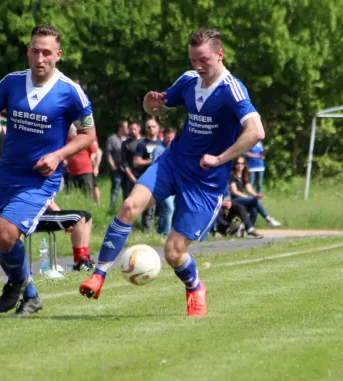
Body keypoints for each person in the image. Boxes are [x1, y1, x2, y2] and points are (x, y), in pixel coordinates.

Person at [79, 28, 265, 317]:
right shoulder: (189, 80)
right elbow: (157, 110)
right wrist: (150, 104)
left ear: (220, 54)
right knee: (129, 205)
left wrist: (220, 159)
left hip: (206, 181)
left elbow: (255, 131)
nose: (197, 66)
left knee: (173, 252)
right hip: (174, 162)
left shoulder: (232, 89)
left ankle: (194, 287)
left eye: (203, 60)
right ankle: (98, 275)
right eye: (193, 60)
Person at [0, 24, 96, 316]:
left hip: (40, 179)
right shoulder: (12, 82)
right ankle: (29, 294)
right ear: (28, 51)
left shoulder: (70, 91)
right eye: (35, 51)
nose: (40, 58)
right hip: (8, 173)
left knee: (6, 233)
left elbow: (88, 135)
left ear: (58, 55)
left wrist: (57, 156)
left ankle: (16, 283)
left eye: (46, 52)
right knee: (2, 238)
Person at [229, 157, 281, 227]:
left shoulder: (244, 176)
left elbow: (249, 189)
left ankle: (248, 229)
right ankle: (268, 220)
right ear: (234, 165)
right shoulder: (232, 175)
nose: (240, 165)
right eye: (238, 163)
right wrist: (248, 197)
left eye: (242, 163)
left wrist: (256, 195)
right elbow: (234, 192)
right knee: (254, 200)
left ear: (244, 165)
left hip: (242, 200)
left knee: (254, 210)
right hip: (233, 200)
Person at [45, 200, 94, 271]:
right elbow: (47, 201)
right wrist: (64, 220)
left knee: (87, 216)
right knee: (78, 217)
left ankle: (85, 258)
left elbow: (50, 201)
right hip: (36, 215)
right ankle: (79, 261)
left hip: (45, 210)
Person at [133, 118, 164, 232]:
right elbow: (136, 161)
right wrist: (152, 161)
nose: (151, 129)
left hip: (162, 178)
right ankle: (146, 230)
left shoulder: (162, 143)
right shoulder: (142, 144)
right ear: (145, 129)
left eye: (153, 126)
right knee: (148, 206)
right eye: (148, 127)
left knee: (163, 206)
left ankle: (161, 230)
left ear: (158, 128)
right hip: (147, 178)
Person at [152, 127, 176, 235]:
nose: (170, 140)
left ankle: (161, 231)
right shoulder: (158, 149)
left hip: (175, 183)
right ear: (164, 136)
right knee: (169, 208)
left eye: (172, 138)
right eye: (168, 137)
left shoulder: (177, 149)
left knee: (166, 209)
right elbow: (155, 166)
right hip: (163, 183)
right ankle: (166, 233)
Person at [66, 125, 97, 197]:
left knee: (87, 192)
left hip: (85, 170)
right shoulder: (67, 141)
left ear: (75, 132)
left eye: (71, 132)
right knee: (77, 194)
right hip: (73, 172)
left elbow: (94, 151)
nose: (69, 134)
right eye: (69, 132)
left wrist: (92, 159)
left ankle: (88, 206)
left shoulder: (83, 139)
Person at [106, 120, 129, 209]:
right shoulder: (112, 139)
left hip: (127, 170)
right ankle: (112, 209)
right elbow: (108, 153)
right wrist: (113, 166)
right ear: (120, 128)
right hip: (116, 170)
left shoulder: (129, 139)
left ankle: (126, 209)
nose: (128, 129)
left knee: (127, 191)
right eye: (126, 127)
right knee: (115, 190)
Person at [121, 120, 143, 199]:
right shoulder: (125, 144)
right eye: (131, 129)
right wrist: (132, 178)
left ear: (139, 128)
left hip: (145, 175)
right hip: (131, 176)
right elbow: (124, 163)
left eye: (134, 129)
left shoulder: (145, 142)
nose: (133, 131)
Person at [91, 140, 103, 205]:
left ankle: (98, 203)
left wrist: (96, 167)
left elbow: (98, 152)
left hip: (91, 167)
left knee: (94, 186)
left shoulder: (91, 137)